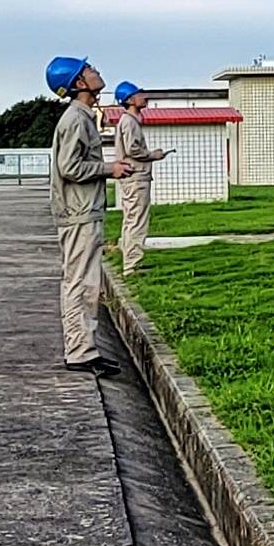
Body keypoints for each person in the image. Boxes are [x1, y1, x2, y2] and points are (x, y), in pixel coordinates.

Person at [44, 55, 135, 375]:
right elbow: (70, 168)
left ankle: (85, 347)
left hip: (84, 210)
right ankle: (79, 351)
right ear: (78, 84)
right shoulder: (75, 120)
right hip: (78, 213)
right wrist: (110, 168)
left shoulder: (83, 116)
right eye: (89, 70)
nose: (96, 71)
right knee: (79, 282)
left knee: (87, 282)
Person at [107, 79, 171, 274]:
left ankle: (130, 260)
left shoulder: (128, 121)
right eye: (139, 94)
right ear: (130, 99)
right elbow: (133, 150)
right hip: (136, 177)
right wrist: (154, 155)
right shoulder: (129, 122)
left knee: (131, 219)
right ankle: (132, 264)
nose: (145, 97)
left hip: (132, 177)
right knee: (137, 220)